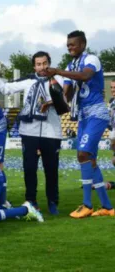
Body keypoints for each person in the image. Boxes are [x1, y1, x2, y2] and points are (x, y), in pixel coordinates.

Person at [0, 51, 63, 214]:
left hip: (51, 131)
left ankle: (53, 202)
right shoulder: (28, 81)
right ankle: (31, 201)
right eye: (38, 64)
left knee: (51, 169)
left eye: (45, 63)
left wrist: (51, 102)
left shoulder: (58, 79)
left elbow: (65, 101)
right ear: (34, 66)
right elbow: (5, 89)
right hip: (29, 131)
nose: (42, 67)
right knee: (29, 168)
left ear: (49, 63)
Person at [46, 30, 114, 218]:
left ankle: (87, 204)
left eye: (73, 45)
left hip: (97, 113)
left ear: (83, 44)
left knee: (83, 153)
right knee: (87, 158)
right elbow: (66, 94)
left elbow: (85, 76)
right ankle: (107, 207)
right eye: (68, 45)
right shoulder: (71, 64)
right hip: (83, 115)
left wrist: (58, 71)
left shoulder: (91, 59)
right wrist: (54, 96)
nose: (70, 48)